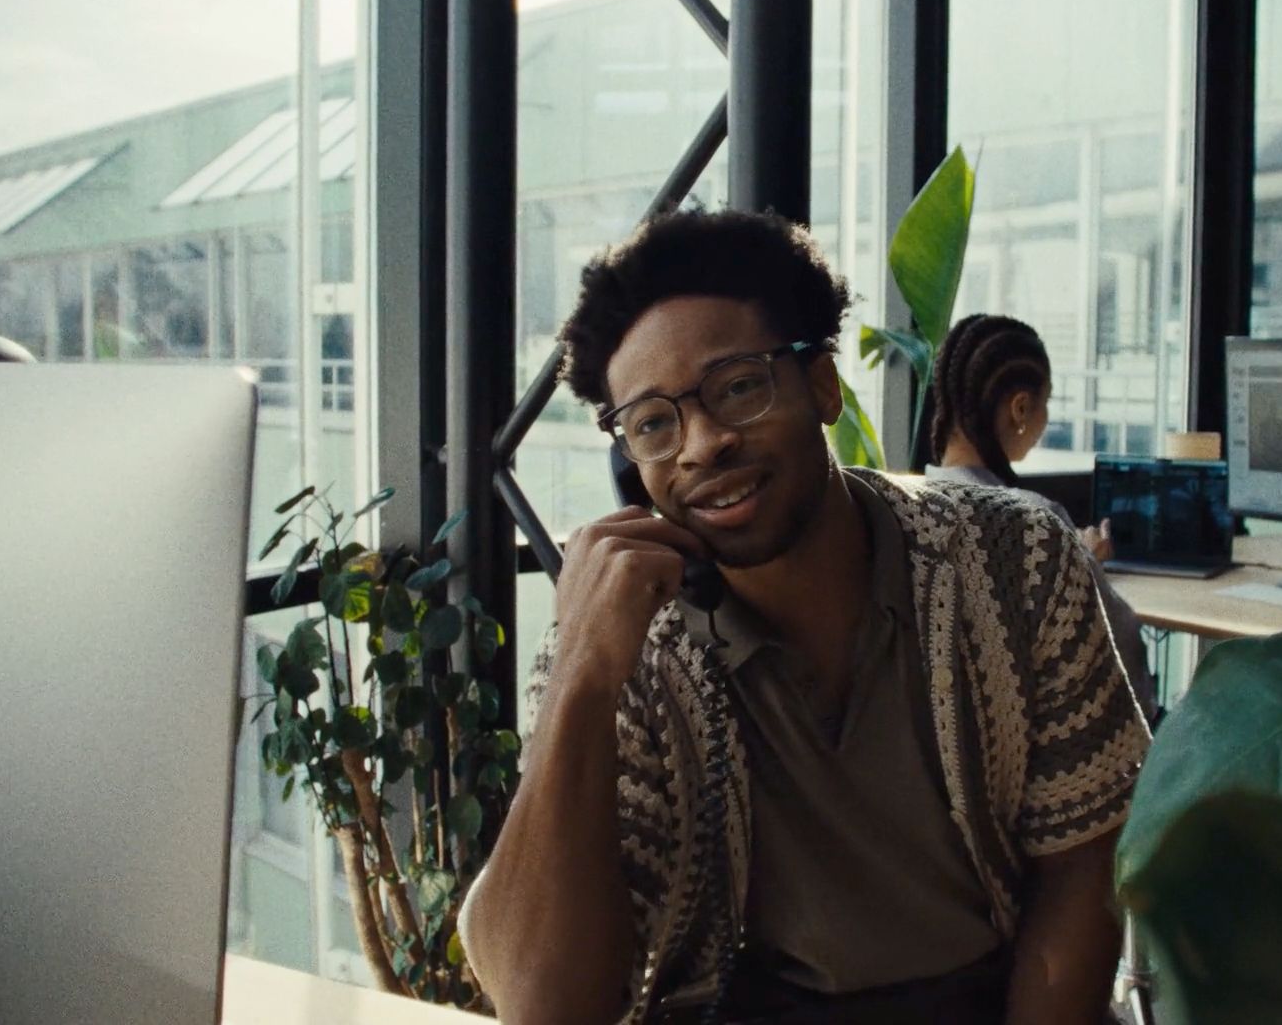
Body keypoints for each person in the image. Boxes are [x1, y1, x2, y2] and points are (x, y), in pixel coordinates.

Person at [460, 210, 1150, 1024]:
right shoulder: (626, 641)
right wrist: (581, 677)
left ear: (822, 384)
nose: (703, 444)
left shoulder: (1015, 557)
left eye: (740, 387)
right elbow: (544, 1006)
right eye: (653, 424)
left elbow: (1081, 870)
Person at [924, 314, 1157, 717]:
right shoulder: (1036, 523)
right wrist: (1078, 561)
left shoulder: (911, 507)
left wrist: (1077, 563)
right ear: (1020, 407)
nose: (1044, 419)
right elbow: (1126, 659)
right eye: (1045, 403)